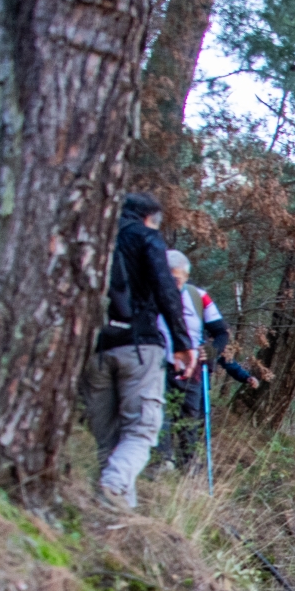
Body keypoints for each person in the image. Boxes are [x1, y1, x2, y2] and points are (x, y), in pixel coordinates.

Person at [86, 193, 195, 509]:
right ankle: (114, 486)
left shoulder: (94, 234)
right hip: (139, 345)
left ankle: (121, 513)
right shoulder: (146, 238)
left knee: (108, 437)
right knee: (142, 431)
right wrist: (182, 344)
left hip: (96, 348)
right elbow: (165, 290)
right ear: (150, 218)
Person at [159, 249, 259, 472]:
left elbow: (221, 333)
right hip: (157, 362)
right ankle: (162, 461)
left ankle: (188, 464)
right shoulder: (148, 292)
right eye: (165, 277)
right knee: (160, 409)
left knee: (190, 415)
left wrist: (210, 352)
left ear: (185, 276)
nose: (169, 284)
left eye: (175, 278)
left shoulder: (199, 297)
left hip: (191, 367)